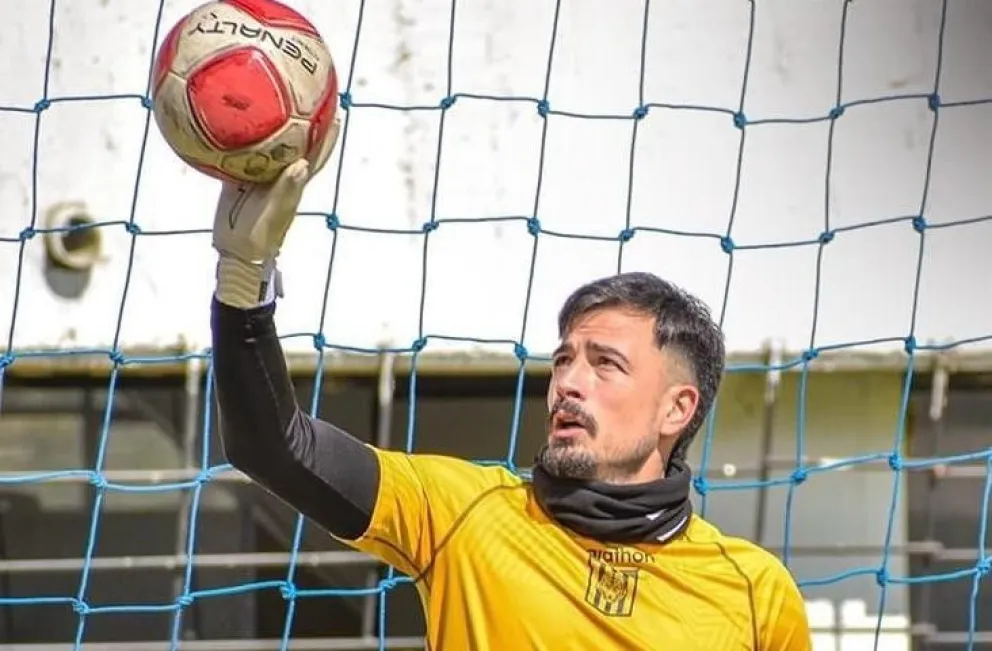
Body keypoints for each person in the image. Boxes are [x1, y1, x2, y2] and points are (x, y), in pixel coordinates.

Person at [208, 119, 813, 650]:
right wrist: (243, 280)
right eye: (564, 360)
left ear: (677, 408)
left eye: (606, 364)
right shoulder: (462, 512)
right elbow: (275, 447)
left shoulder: (755, 590)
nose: (569, 383)